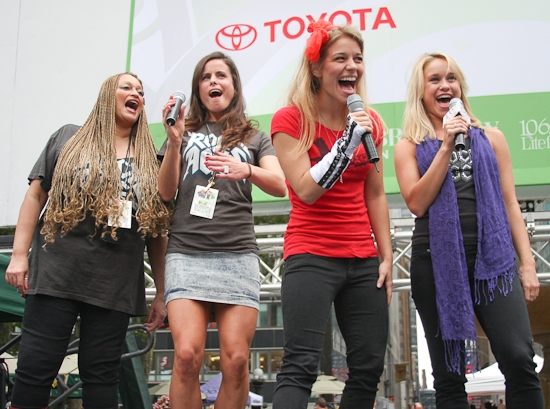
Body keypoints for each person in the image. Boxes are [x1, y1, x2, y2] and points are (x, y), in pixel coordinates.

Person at [5, 73, 171, 409]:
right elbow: (36, 196)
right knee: (36, 367)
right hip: (57, 271)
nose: (135, 94)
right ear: (106, 95)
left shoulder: (153, 161)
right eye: (126, 87)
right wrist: (19, 255)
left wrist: (162, 292)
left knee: (102, 375)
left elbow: (157, 231)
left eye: (140, 91)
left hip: (114, 282)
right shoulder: (68, 137)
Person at [394, 52, 544, 409]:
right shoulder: (408, 147)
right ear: (421, 91)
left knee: (519, 358)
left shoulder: (492, 138)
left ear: (461, 88)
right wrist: (446, 145)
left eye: (451, 78)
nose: (445, 85)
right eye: (434, 79)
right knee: (448, 377)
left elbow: (511, 204)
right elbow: (416, 203)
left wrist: (527, 263)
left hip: (494, 261)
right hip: (436, 262)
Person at [270, 20, 393, 409]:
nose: (352, 66)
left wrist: (386, 255)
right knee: (301, 367)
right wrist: (346, 142)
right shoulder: (289, 120)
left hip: (362, 259)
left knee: (369, 366)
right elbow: (305, 190)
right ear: (318, 68)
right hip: (311, 255)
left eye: (358, 59)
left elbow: (375, 194)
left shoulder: (370, 122)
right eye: (340, 58)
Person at [158, 51, 286, 409]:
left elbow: (279, 184)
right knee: (185, 355)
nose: (214, 81)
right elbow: (165, 192)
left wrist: (248, 170)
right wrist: (172, 141)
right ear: (197, 89)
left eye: (221, 75)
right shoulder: (181, 133)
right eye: (206, 77)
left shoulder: (255, 136)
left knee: (237, 361)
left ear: (234, 85)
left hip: (237, 254)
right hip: (186, 253)